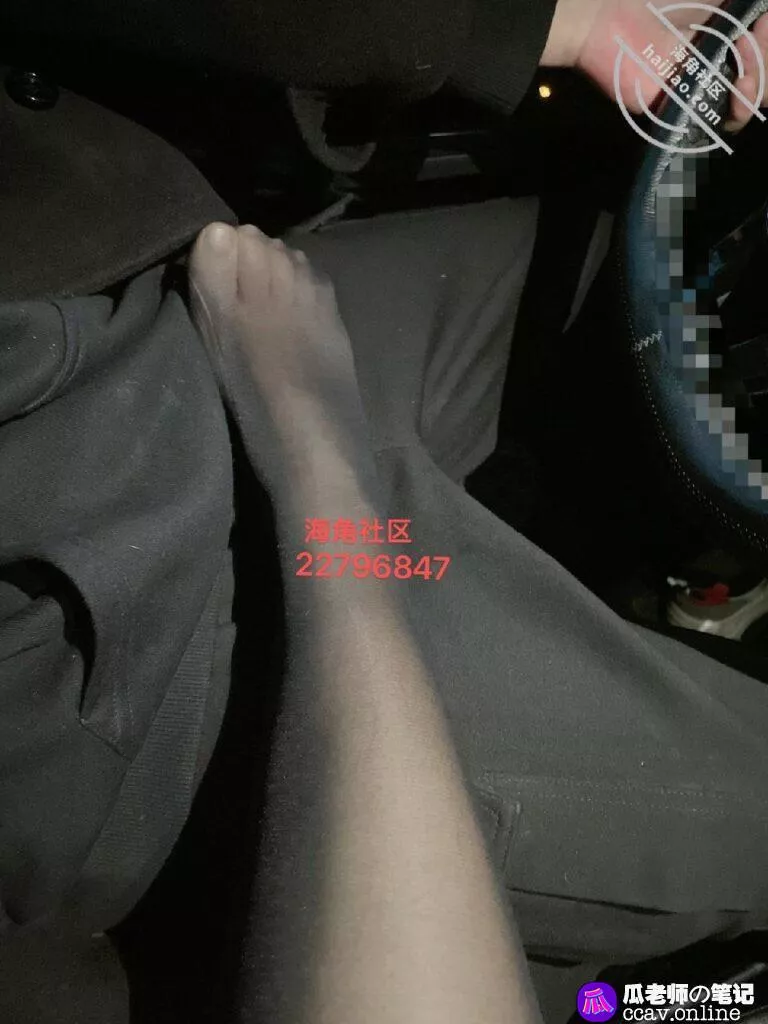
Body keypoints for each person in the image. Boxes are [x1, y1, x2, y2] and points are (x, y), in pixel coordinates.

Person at [1, 0, 768, 1020]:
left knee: (599, 282)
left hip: (110, 338)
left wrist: (548, 17)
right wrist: (316, 455)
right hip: (146, 678)